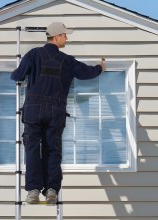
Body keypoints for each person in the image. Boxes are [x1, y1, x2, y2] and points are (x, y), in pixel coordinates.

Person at [11, 22, 106, 204]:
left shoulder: (33, 54)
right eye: (64, 35)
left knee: (32, 148)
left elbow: (18, 76)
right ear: (56, 37)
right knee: (52, 150)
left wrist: (15, 73)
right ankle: (52, 190)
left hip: (34, 109)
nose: (66, 38)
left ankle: (33, 191)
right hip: (55, 111)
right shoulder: (67, 60)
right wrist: (100, 68)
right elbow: (86, 73)